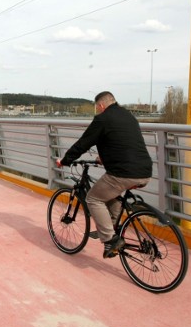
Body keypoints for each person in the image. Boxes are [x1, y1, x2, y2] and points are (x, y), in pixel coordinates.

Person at [56, 91, 152, 259]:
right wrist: (104, 158)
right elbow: (123, 142)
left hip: (124, 173)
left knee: (93, 198)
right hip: (144, 170)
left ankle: (110, 239)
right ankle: (114, 229)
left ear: (101, 106)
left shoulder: (102, 119)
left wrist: (65, 160)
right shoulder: (128, 116)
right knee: (111, 195)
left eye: (97, 108)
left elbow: (83, 143)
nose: (98, 111)